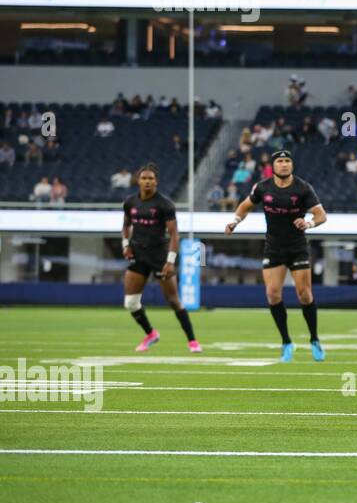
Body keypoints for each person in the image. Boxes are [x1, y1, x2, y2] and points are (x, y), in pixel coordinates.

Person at [225, 150, 328, 362]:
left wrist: (308, 223)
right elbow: (245, 206)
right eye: (280, 161)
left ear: (292, 165)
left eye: (288, 161)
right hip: (274, 247)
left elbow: (321, 215)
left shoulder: (303, 188)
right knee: (272, 295)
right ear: (273, 166)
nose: (284, 164)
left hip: (298, 246)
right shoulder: (262, 187)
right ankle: (287, 342)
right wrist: (235, 221)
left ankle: (314, 339)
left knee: (305, 295)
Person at [121, 163, 201, 353]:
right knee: (130, 303)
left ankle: (192, 341)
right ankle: (151, 334)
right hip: (138, 255)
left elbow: (174, 234)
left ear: (156, 182)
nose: (147, 181)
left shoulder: (165, 204)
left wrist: (170, 260)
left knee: (173, 301)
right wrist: (125, 245)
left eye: (151, 179)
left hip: (160, 256)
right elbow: (125, 226)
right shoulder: (130, 203)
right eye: (144, 178)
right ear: (138, 181)